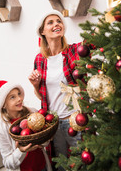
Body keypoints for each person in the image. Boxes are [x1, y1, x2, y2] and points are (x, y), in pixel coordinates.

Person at [28, 10, 82, 171]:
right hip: (53, 122)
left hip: (74, 120)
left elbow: (92, 42)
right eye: (50, 22)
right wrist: (35, 85)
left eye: (58, 21)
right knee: (60, 163)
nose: (56, 24)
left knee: (81, 162)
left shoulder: (73, 51)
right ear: (43, 32)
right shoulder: (39, 59)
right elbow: (42, 96)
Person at [0, 80, 52, 171]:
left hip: (42, 166)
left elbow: (46, 141)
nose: (19, 98)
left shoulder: (33, 113)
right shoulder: (1, 129)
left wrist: (41, 141)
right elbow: (8, 163)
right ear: (3, 104)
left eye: (19, 94)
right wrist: (21, 151)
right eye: (12, 97)